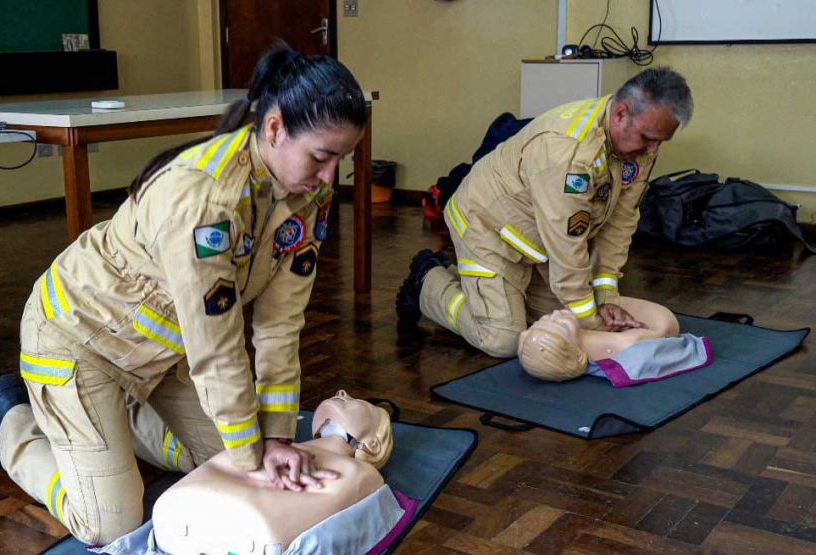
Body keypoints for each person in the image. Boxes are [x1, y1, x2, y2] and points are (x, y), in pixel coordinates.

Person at [0, 43, 367, 545]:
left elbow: (280, 325)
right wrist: (254, 451)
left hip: (157, 354)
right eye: (323, 156)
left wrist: (277, 437)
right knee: (109, 522)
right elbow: (217, 346)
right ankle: (12, 420)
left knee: (226, 462)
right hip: (78, 342)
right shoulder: (205, 199)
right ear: (274, 128)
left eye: (341, 159)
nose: (331, 176)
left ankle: (113, 418)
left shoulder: (309, 195)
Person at [397, 67, 693, 358]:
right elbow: (566, 242)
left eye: (660, 141)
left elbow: (620, 221)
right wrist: (592, 322)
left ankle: (482, 290)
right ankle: (427, 279)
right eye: (647, 137)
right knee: (504, 340)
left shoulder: (637, 145)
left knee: (555, 324)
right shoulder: (567, 151)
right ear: (620, 114)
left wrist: (605, 296)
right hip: (487, 227)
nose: (652, 149)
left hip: (538, 241)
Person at [151, 390, 398, 555]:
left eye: (358, 402)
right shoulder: (276, 446)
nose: (341, 393)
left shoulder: (359, 473)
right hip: (197, 518)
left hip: (182, 518)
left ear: (373, 445)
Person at [517, 297, 679, 381]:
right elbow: (656, 335)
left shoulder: (578, 334)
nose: (553, 314)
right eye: (560, 324)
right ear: (577, 354)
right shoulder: (624, 344)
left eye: (541, 321)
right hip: (659, 322)